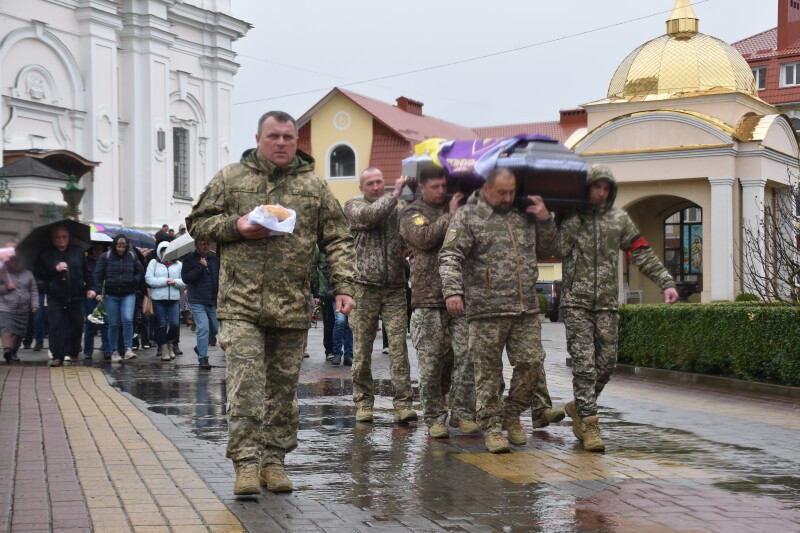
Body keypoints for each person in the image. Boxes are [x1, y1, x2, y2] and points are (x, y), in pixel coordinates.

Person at [185, 110, 356, 496]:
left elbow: (338, 237)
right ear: (259, 138)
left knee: (282, 392)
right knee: (246, 386)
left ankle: (274, 461)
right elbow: (197, 222)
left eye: (288, 137)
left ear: (297, 142)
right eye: (274, 136)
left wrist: (344, 284)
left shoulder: (313, 186)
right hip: (240, 305)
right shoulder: (231, 178)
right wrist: (236, 226)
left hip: (291, 307)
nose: (281, 143)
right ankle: (246, 464)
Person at [557, 164, 678, 452]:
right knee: (584, 365)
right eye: (595, 187)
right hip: (576, 301)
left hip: (607, 302)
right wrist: (571, 218)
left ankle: (579, 405)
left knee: (607, 364)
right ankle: (590, 423)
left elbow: (641, 252)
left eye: (605, 188)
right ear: (585, 189)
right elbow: (559, 249)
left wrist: (666, 283)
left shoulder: (618, 219)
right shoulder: (572, 217)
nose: (600, 192)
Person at [439, 167, 557, 453]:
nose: (507, 198)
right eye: (502, 193)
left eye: (511, 192)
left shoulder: (523, 215)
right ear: (487, 189)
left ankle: (512, 413)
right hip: (485, 310)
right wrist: (452, 291)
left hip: (525, 308)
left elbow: (551, 248)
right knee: (488, 374)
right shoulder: (468, 216)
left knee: (531, 365)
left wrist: (545, 219)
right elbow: (450, 255)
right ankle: (492, 428)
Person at [399, 167, 478, 438]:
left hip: (459, 297)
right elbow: (424, 238)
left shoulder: (457, 208)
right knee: (431, 364)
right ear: (422, 187)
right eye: (435, 187)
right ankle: (434, 417)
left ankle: (463, 413)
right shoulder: (411, 212)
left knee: (466, 357)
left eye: (444, 186)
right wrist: (452, 215)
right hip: (428, 299)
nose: (441, 191)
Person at [344, 168, 416, 425]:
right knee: (362, 350)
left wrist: (411, 202)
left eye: (380, 182)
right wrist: (395, 194)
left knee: (399, 349)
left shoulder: (394, 210)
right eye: (371, 183)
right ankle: (363, 403)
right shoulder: (353, 206)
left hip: (395, 288)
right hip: (363, 288)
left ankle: (403, 404)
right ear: (362, 187)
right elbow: (371, 216)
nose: (376, 187)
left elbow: (411, 231)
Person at [35, 226, 97, 367]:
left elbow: (87, 273)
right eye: (57, 237)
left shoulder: (78, 252)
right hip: (55, 297)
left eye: (64, 236)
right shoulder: (46, 254)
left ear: (68, 238)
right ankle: (58, 356)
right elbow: (39, 275)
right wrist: (54, 269)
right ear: (52, 238)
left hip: (75, 296)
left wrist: (91, 289)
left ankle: (73, 354)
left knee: (76, 326)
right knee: (56, 326)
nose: (61, 239)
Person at [95, 235, 143, 363]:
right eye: (118, 246)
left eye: (123, 247)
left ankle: (128, 349)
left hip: (128, 293)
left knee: (127, 319)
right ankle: (114, 351)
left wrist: (134, 281)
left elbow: (140, 271)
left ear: (127, 247)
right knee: (114, 323)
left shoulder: (132, 256)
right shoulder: (106, 257)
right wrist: (98, 292)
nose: (121, 249)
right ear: (114, 246)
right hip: (111, 294)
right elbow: (98, 275)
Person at [181, 239, 219, 370]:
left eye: (208, 243)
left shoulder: (214, 260)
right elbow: (186, 278)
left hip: (212, 300)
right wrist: (200, 266)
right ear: (196, 245)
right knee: (204, 328)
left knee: (214, 328)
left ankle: (199, 347)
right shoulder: (189, 259)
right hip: (197, 300)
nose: (206, 246)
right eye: (202, 243)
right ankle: (203, 358)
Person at [145, 241, 185, 361]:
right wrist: (164, 281)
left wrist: (175, 282)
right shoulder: (154, 263)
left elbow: (184, 280)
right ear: (159, 251)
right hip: (158, 299)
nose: (165, 252)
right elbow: (149, 279)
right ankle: (163, 348)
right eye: (163, 250)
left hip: (173, 299)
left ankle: (170, 343)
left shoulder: (178, 264)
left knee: (174, 324)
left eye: (167, 250)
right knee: (161, 324)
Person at [0, 245, 38, 363]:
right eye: (12, 260)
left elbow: (33, 290)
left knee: (20, 332)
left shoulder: (28, 273)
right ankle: (7, 349)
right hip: (6, 307)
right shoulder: (3, 273)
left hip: (23, 308)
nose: (15, 262)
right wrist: (6, 287)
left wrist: (35, 304)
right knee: (6, 328)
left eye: (17, 260)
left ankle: (13, 352)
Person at [84, 243, 112, 360]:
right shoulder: (86, 262)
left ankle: (107, 349)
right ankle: (88, 351)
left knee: (105, 323)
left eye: (99, 249)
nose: (96, 251)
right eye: (95, 249)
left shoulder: (106, 262)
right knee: (90, 323)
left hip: (103, 295)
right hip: (90, 295)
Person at [310, 246, 335, 361]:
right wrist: (316, 290)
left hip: (340, 289)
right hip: (325, 291)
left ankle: (342, 350)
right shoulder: (319, 248)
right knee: (328, 321)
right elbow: (313, 268)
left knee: (342, 322)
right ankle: (329, 350)